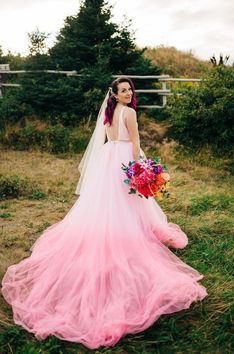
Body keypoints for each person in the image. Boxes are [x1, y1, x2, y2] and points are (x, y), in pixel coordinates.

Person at [1, 77, 207, 350]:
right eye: (123, 90)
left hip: (109, 160)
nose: (128, 93)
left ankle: (113, 230)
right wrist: (138, 169)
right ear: (115, 94)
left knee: (108, 202)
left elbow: (108, 140)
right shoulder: (130, 112)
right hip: (123, 159)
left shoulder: (109, 113)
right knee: (127, 201)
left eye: (129, 89)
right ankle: (127, 235)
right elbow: (134, 142)